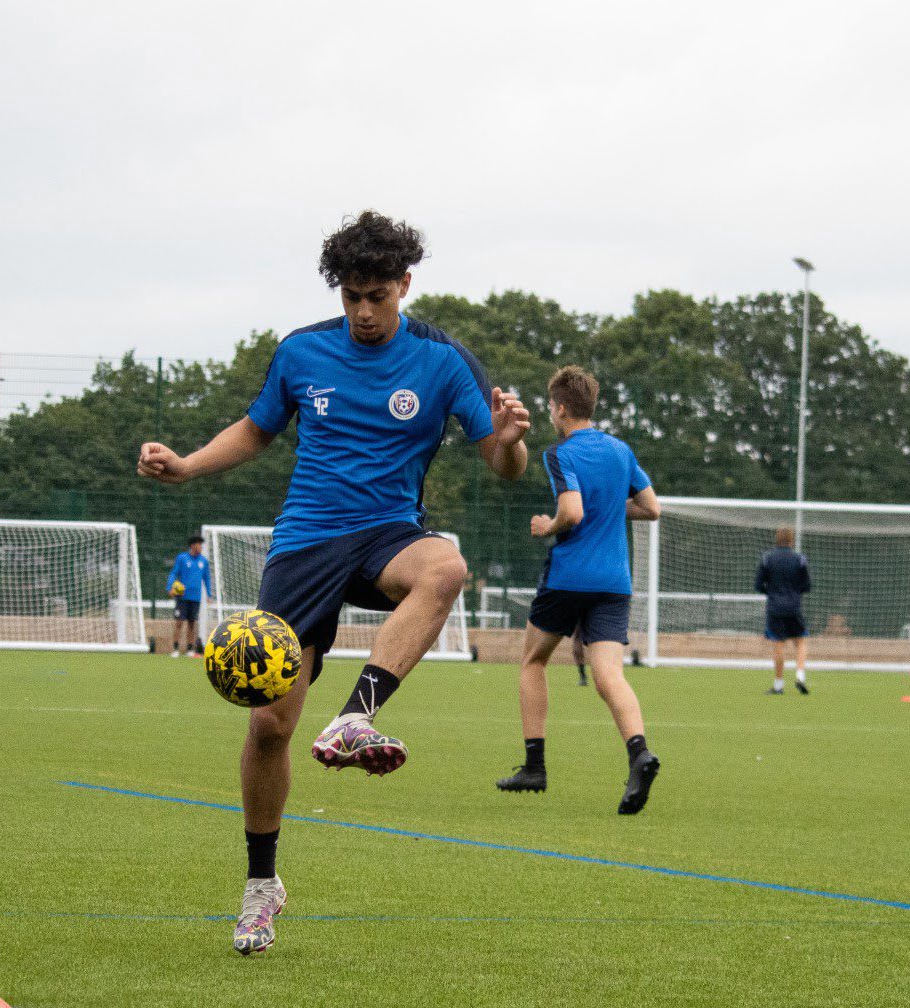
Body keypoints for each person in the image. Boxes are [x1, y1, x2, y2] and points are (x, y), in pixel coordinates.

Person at [137, 211, 529, 955]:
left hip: (387, 533)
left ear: (406, 285)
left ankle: (358, 717)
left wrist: (509, 445)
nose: (364, 311)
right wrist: (186, 465)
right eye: (352, 296)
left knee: (445, 565)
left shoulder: (445, 361)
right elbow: (256, 431)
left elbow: (501, 465)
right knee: (269, 726)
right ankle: (261, 887)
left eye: (378, 294)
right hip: (307, 543)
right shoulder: (302, 351)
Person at [495, 366, 660, 814]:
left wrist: (548, 525)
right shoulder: (621, 450)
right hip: (614, 582)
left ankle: (534, 766)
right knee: (610, 675)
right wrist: (610, 507)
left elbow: (571, 512)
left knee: (533, 660)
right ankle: (639, 752)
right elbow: (651, 508)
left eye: (550, 405)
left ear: (561, 407)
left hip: (569, 577)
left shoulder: (559, 454)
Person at [756, 527, 812, 694]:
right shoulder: (799, 559)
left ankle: (779, 685)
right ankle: (800, 676)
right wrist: (794, 593)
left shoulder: (767, 559)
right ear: (791, 540)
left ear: (776, 539)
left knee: (779, 645)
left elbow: (758, 585)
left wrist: (772, 593)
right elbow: (807, 585)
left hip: (775, 608)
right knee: (800, 641)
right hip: (793, 607)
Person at [166, 535, 212, 657]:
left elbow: (207, 578)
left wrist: (209, 594)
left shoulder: (204, 561)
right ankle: (175, 649)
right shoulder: (182, 558)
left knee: (192, 623)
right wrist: (169, 588)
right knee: (179, 622)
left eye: (201, 545)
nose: (200, 547)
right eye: (198, 545)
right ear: (192, 546)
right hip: (182, 597)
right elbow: (173, 573)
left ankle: (190, 650)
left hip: (195, 597)